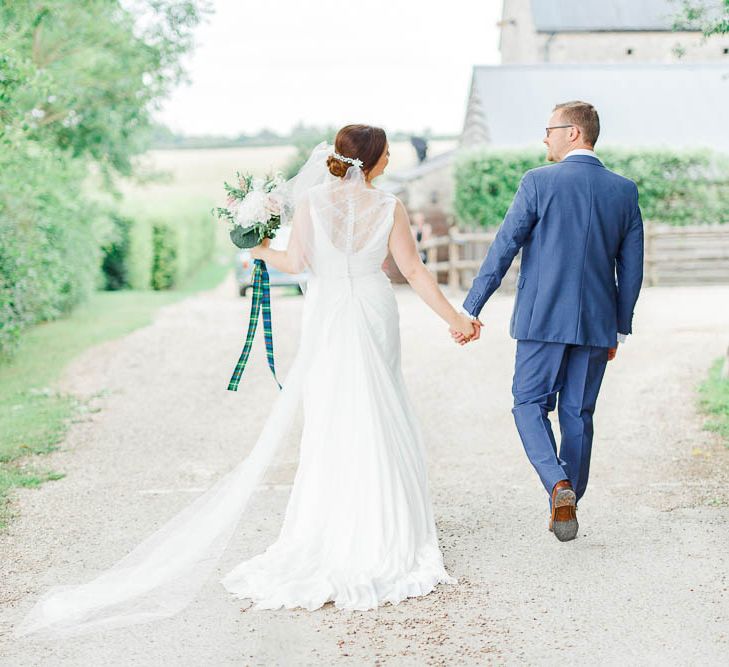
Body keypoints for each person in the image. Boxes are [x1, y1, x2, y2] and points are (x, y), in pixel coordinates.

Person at [15, 125, 476, 639]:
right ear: (371, 160)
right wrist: (454, 319)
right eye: (387, 150)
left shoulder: (311, 205)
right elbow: (412, 270)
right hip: (370, 307)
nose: (391, 156)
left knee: (332, 416)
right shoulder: (389, 206)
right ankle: (388, 529)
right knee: (379, 404)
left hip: (328, 315)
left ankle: (334, 527)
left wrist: (256, 248)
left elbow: (294, 263)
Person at [453, 101, 644, 542]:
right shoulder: (624, 190)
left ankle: (557, 484)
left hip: (541, 322)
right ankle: (570, 496)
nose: (545, 138)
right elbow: (630, 269)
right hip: (597, 325)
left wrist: (472, 307)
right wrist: (618, 327)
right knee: (578, 414)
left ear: (574, 133)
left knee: (528, 404)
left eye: (550, 129)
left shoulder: (537, 182)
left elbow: (505, 247)